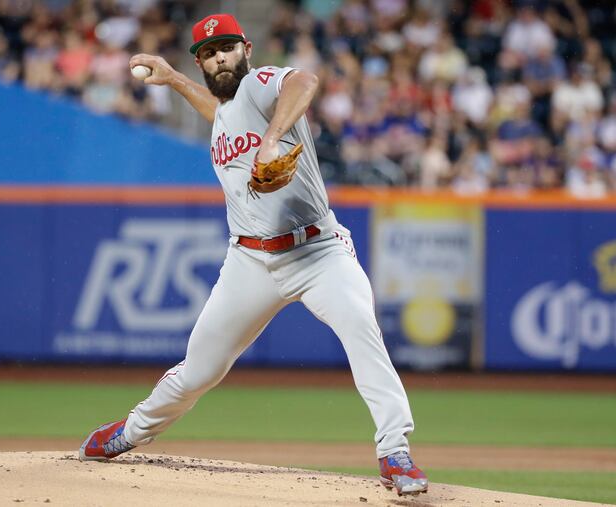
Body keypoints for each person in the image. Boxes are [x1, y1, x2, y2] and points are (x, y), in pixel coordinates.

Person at [78, 13, 429, 496]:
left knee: (361, 328)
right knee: (200, 369)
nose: (219, 57)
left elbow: (305, 80)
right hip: (249, 262)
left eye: (226, 47)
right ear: (200, 62)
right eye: (207, 52)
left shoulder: (264, 84)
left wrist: (270, 139)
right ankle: (132, 432)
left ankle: (395, 450)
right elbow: (222, 115)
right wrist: (176, 80)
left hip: (318, 251)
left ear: (246, 49)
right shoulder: (226, 112)